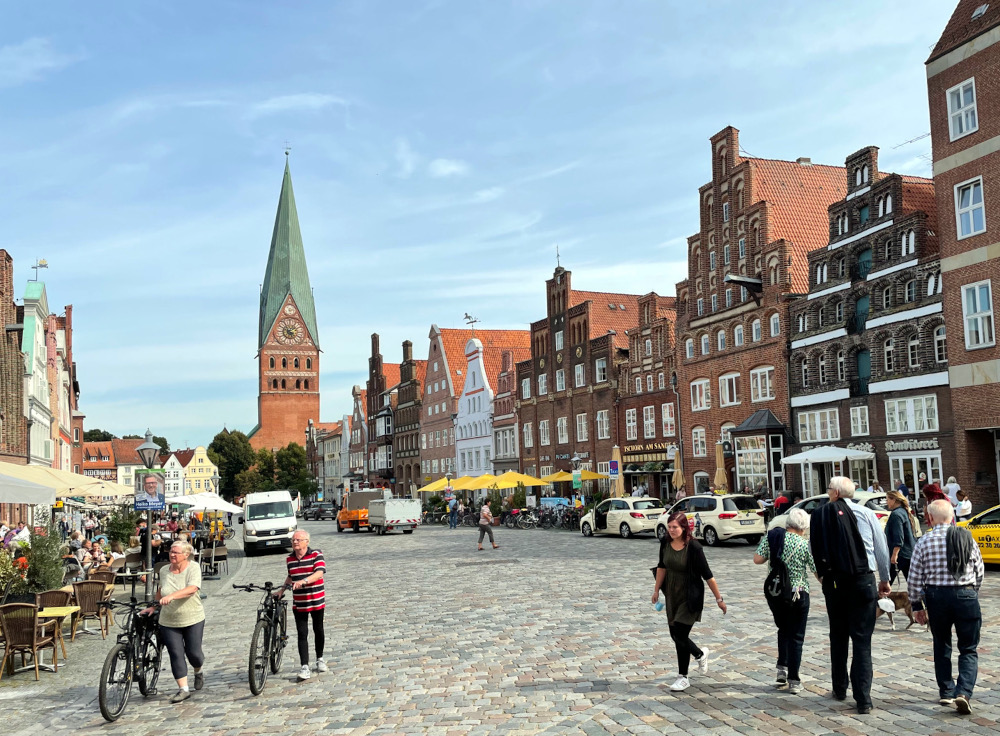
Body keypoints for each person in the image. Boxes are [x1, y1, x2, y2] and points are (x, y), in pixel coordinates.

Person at [809, 476, 891, 714]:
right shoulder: (865, 514)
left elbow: (814, 548)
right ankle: (863, 699)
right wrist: (884, 579)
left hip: (834, 582)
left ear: (834, 493)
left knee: (838, 634)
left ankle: (839, 687)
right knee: (862, 640)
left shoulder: (821, 515)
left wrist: (822, 576)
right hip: (863, 580)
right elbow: (881, 548)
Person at [909, 500, 984, 715]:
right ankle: (964, 692)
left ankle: (946, 691)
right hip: (966, 594)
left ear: (930, 519)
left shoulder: (924, 541)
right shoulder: (966, 537)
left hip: (937, 596)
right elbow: (979, 569)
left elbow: (915, 577)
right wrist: (971, 592)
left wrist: (916, 605)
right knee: (968, 648)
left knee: (941, 644)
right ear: (952, 517)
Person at [653, 510, 727, 693]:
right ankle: (697, 658)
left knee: (679, 633)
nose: (671, 530)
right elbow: (661, 567)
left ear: (684, 528)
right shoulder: (665, 543)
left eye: (675, 527)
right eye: (669, 527)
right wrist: (656, 590)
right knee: (675, 636)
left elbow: (708, 575)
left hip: (690, 594)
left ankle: (685, 673)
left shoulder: (694, 547)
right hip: (671, 593)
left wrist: (719, 599)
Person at [754, 508, 817, 694]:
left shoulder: (772, 538)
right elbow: (815, 569)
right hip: (798, 593)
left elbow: (757, 559)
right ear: (804, 527)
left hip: (777, 593)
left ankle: (782, 667)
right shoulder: (804, 544)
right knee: (797, 636)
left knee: (783, 629)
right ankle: (794, 679)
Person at [149, 541, 206, 703]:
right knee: (176, 653)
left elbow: (193, 588)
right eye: (170, 552)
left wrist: (172, 596)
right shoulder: (164, 570)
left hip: (192, 617)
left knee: (194, 653)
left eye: (176, 552)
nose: (172, 554)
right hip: (168, 620)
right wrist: (153, 607)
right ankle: (183, 689)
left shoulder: (193, 567)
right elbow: (161, 590)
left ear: (186, 554)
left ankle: (198, 669)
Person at [279, 530, 326, 681]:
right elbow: (290, 576)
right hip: (299, 602)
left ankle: (320, 658)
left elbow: (319, 573)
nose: (295, 542)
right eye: (293, 540)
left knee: (318, 629)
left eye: (298, 540)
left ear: (307, 541)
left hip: (316, 599)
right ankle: (304, 666)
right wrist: (281, 590)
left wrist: (304, 581)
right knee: (302, 633)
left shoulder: (316, 555)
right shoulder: (290, 559)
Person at [884, 490, 918, 584]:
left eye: (887, 500)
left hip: (900, 554)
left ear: (894, 500)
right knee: (913, 583)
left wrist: (894, 555)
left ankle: (882, 597)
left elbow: (898, 535)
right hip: (909, 552)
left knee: (887, 582)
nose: (886, 502)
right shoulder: (904, 511)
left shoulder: (896, 514)